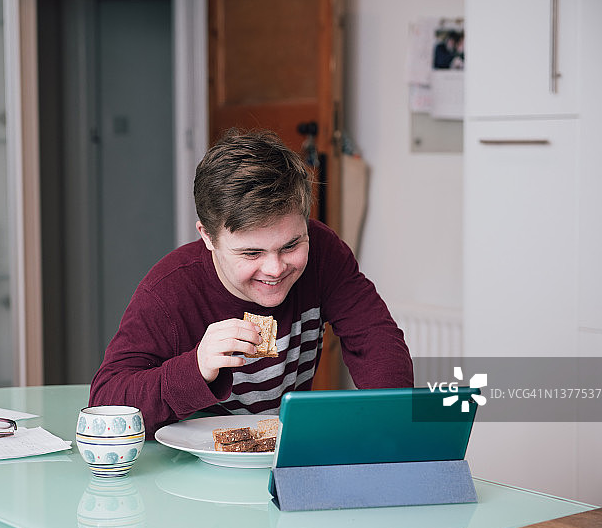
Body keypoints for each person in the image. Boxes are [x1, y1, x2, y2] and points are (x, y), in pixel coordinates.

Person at [89, 129, 412, 438]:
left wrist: (392, 424)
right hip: (187, 464)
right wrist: (196, 367)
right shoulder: (169, 292)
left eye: (290, 245)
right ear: (208, 237)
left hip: (283, 452)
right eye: (251, 253)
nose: (275, 269)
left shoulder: (323, 253)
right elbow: (106, 404)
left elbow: (374, 337)